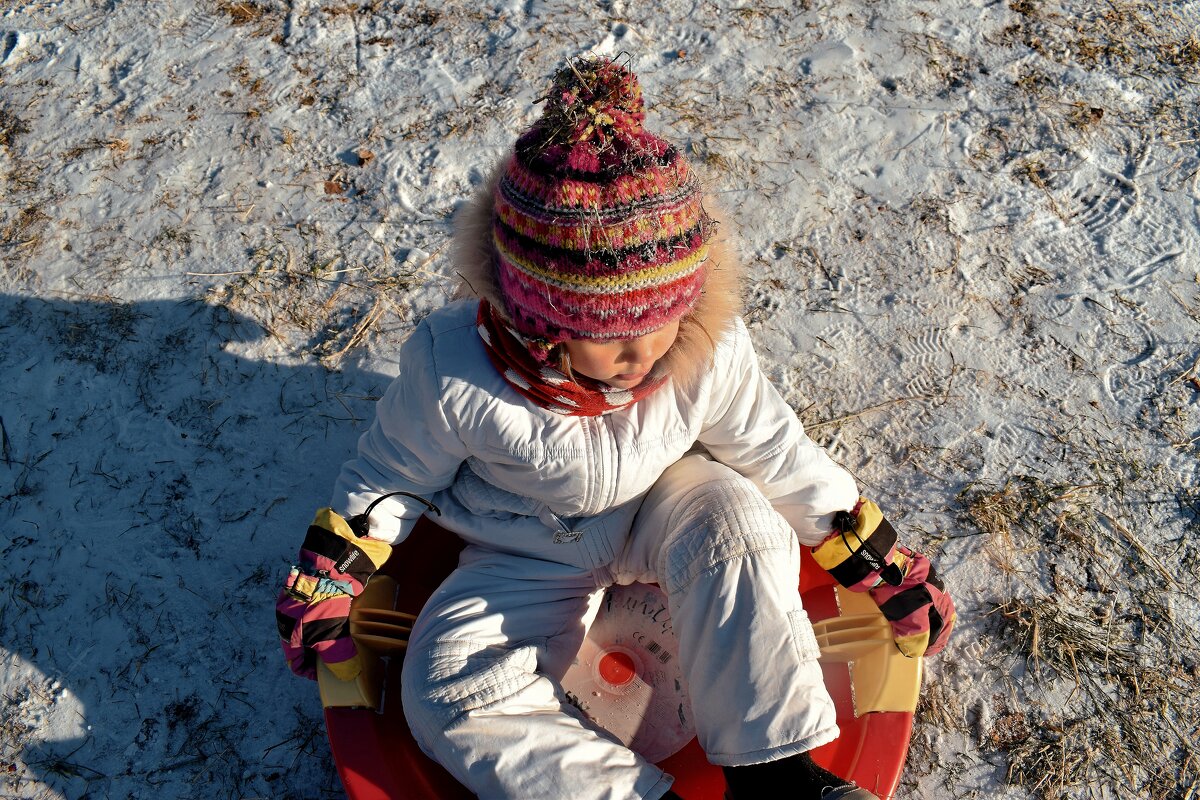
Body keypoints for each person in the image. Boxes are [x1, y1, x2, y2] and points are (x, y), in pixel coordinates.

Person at [276, 56, 955, 800]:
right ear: (536, 321)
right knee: (444, 689)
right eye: (605, 333)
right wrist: (330, 577)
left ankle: (777, 777)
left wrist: (877, 561)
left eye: (665, 322)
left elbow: (773, 447)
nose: (641, 353)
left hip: (665, 504)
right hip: (525, 547)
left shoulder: (706, 351)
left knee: (740, 521)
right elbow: (393, 476)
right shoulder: (454, 373)